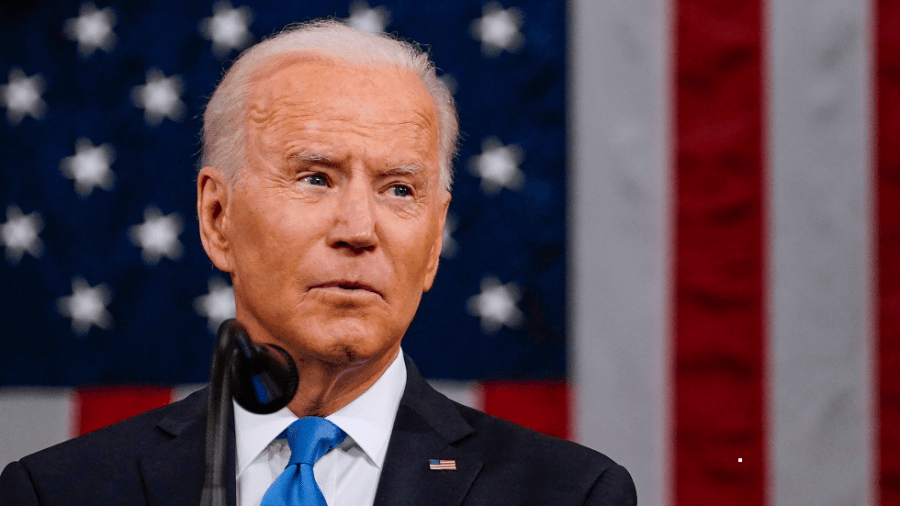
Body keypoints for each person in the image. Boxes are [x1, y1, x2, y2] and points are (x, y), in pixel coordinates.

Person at [0, 21, 636, 506]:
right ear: (217, 218)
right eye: (314, 178)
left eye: (399, 189)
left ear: (435, 240)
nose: (359, 230)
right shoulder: (56, 492)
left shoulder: (569, 494)